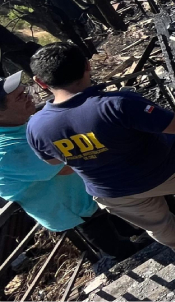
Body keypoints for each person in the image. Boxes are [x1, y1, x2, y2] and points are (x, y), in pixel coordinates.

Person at [25, 43, 175, 261]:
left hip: (112, 193)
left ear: (40, 82)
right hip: (164, 172)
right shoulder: (117, 103)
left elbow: (55, 163)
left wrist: (91, 155)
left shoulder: (36, 127)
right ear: (87, 66)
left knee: (156, 223)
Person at [0, 72, 145, 261]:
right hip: (69, 205)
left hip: (87, 192)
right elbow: (67, 166)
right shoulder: (8, 151)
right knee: (115, 242)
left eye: (24, 91)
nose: (28, 96)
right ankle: (126, 255)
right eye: (20, 97)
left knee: (127, 225)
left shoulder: (19, 124)